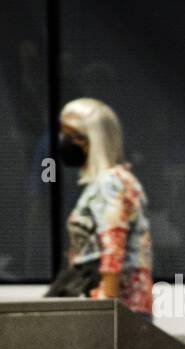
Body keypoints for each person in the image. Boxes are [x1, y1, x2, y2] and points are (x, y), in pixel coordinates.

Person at [50, 98, 153, 315]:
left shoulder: (110, 183)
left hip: (117, 309)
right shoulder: (116, 181)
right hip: (117, 305)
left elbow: (113, 246)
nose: (65, 142)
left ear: (94, 139)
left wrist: (106, 307)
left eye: (73, 137)